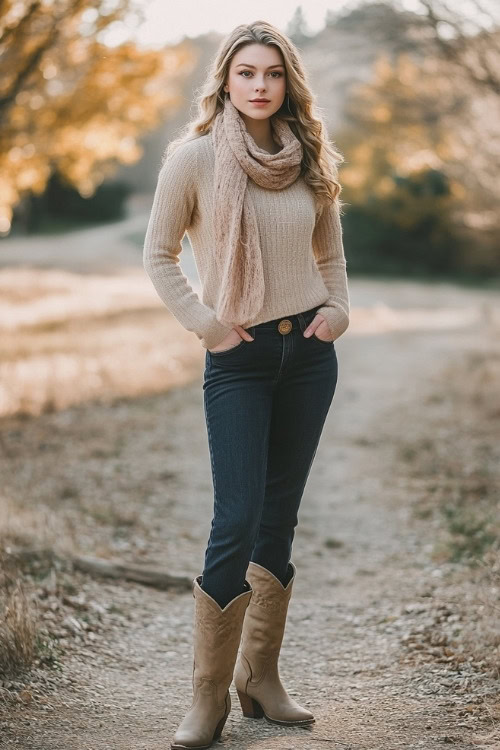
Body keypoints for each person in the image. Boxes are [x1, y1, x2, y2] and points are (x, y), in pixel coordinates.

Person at [143, 19, 350, 750]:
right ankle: (207, 698)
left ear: (288, 81)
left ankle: (260, 680)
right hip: (239, 357)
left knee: (280, 517)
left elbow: (329, 252)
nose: (259, 86)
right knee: (236, 517)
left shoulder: (308, 158)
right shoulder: (195, 159)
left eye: (272, 73)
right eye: (246, 73)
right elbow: (161, 257)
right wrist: (209, 326)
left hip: (308, 357)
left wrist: (338, 311)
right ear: (226, 82)